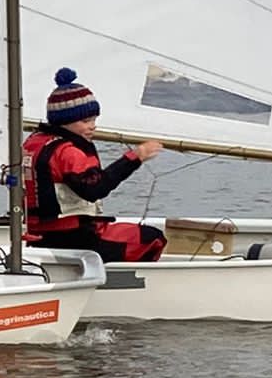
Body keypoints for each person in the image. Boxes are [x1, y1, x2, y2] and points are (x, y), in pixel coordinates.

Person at [22, 68, 167, 262]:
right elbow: (95, 189)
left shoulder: (32, 143)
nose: (93, 126)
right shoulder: (68, 152)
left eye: (94, 120)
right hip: (74, 236)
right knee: (152, 239)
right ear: (64, 121)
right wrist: (135, 157)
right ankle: (116, 281)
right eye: (85, 121)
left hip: (38, 234)